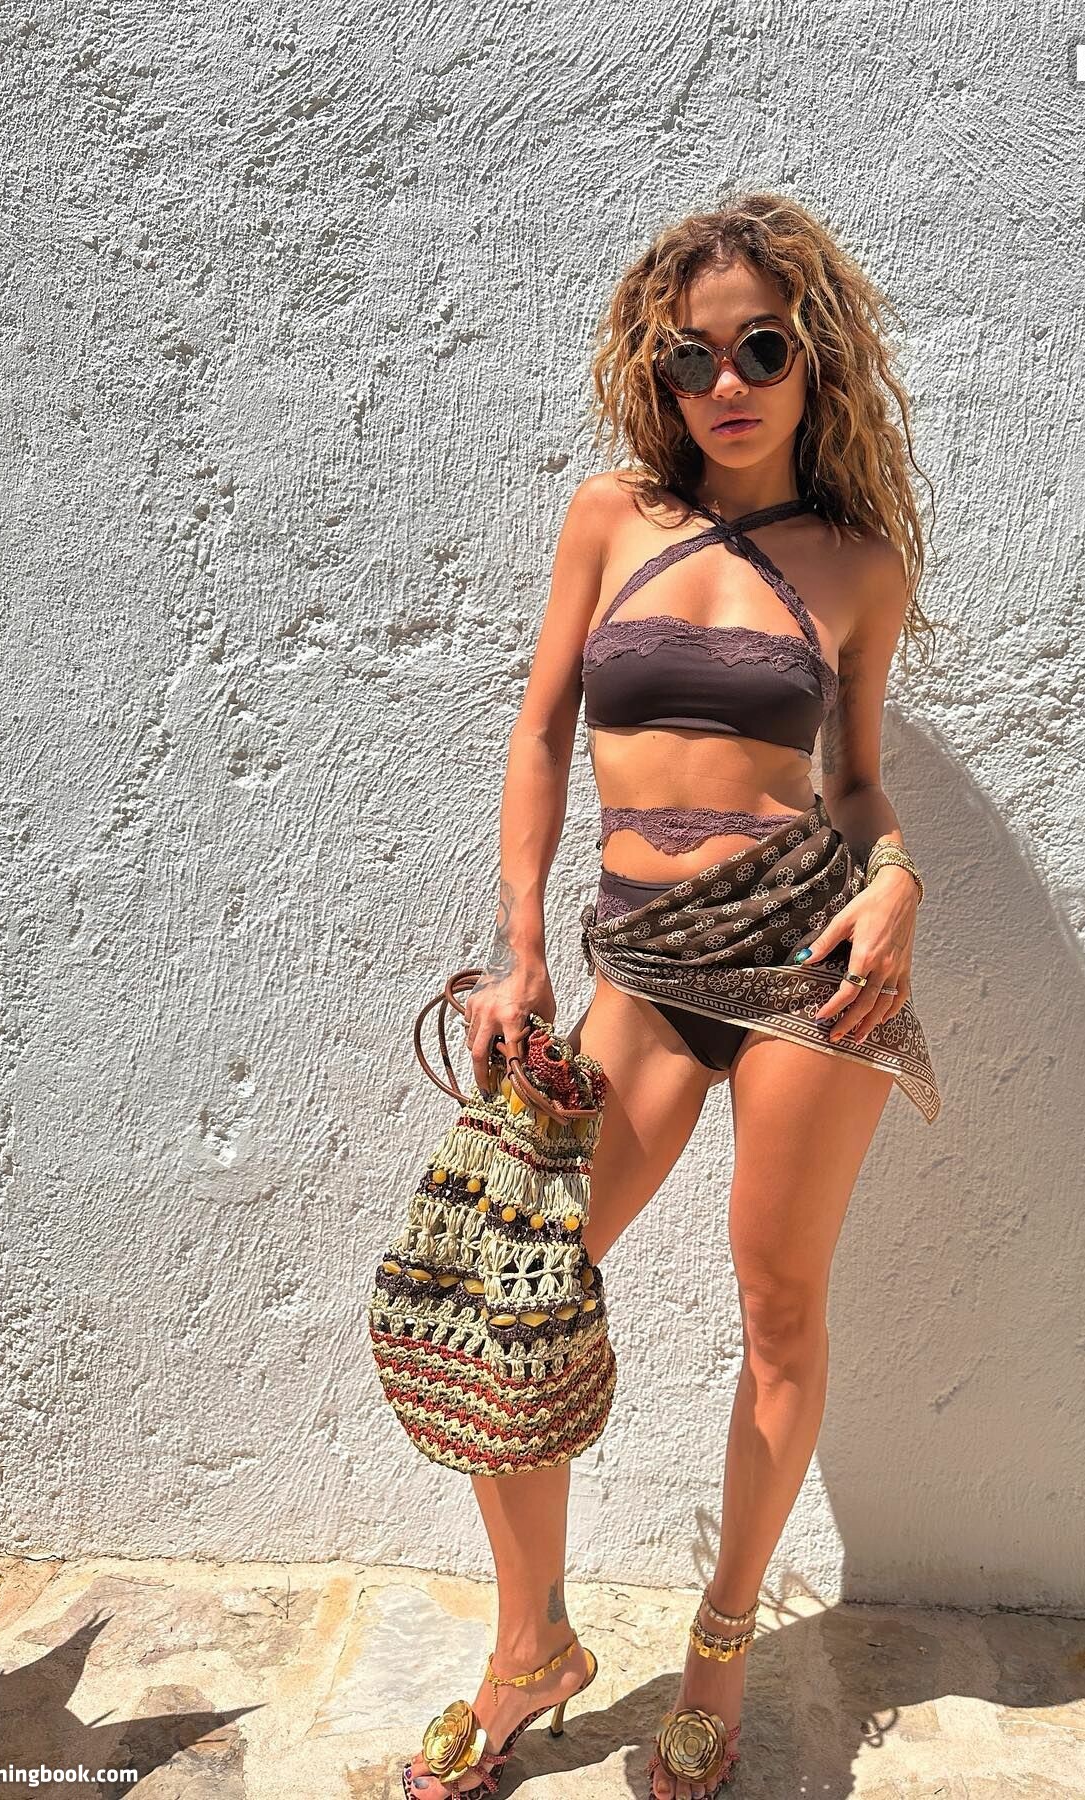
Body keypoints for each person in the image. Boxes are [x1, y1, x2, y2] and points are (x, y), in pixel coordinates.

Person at [404, 191, 942, 1799]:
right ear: (659, 370)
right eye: (694, 355)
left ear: (811, 358)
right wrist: (521, 950)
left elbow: (854, 783)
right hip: (638, 964)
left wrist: (899, 879)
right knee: (507, 1291)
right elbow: (539, 733)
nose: (728, 382)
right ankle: (531, 1647)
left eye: (761, 348)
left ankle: (721, 1646)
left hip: (802, 960)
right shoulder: (610, 518)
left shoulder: (860, 564)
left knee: (779, 1306)